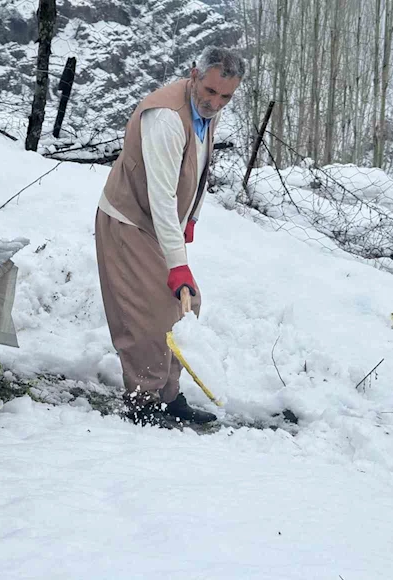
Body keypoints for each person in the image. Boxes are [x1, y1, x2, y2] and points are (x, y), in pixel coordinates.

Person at [94, 46, 245, 425]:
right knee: (148, 313)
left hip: (161, 224)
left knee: (186, 306)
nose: (215, 102)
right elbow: (161, 197)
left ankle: (169, 395)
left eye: (225, 96)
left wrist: (191, 217)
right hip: (129, 220)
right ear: (194, 74)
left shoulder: (205, 111)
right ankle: (143, 401)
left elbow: (199, 167)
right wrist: (178, 265)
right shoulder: (165, 117)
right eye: (210, 91)